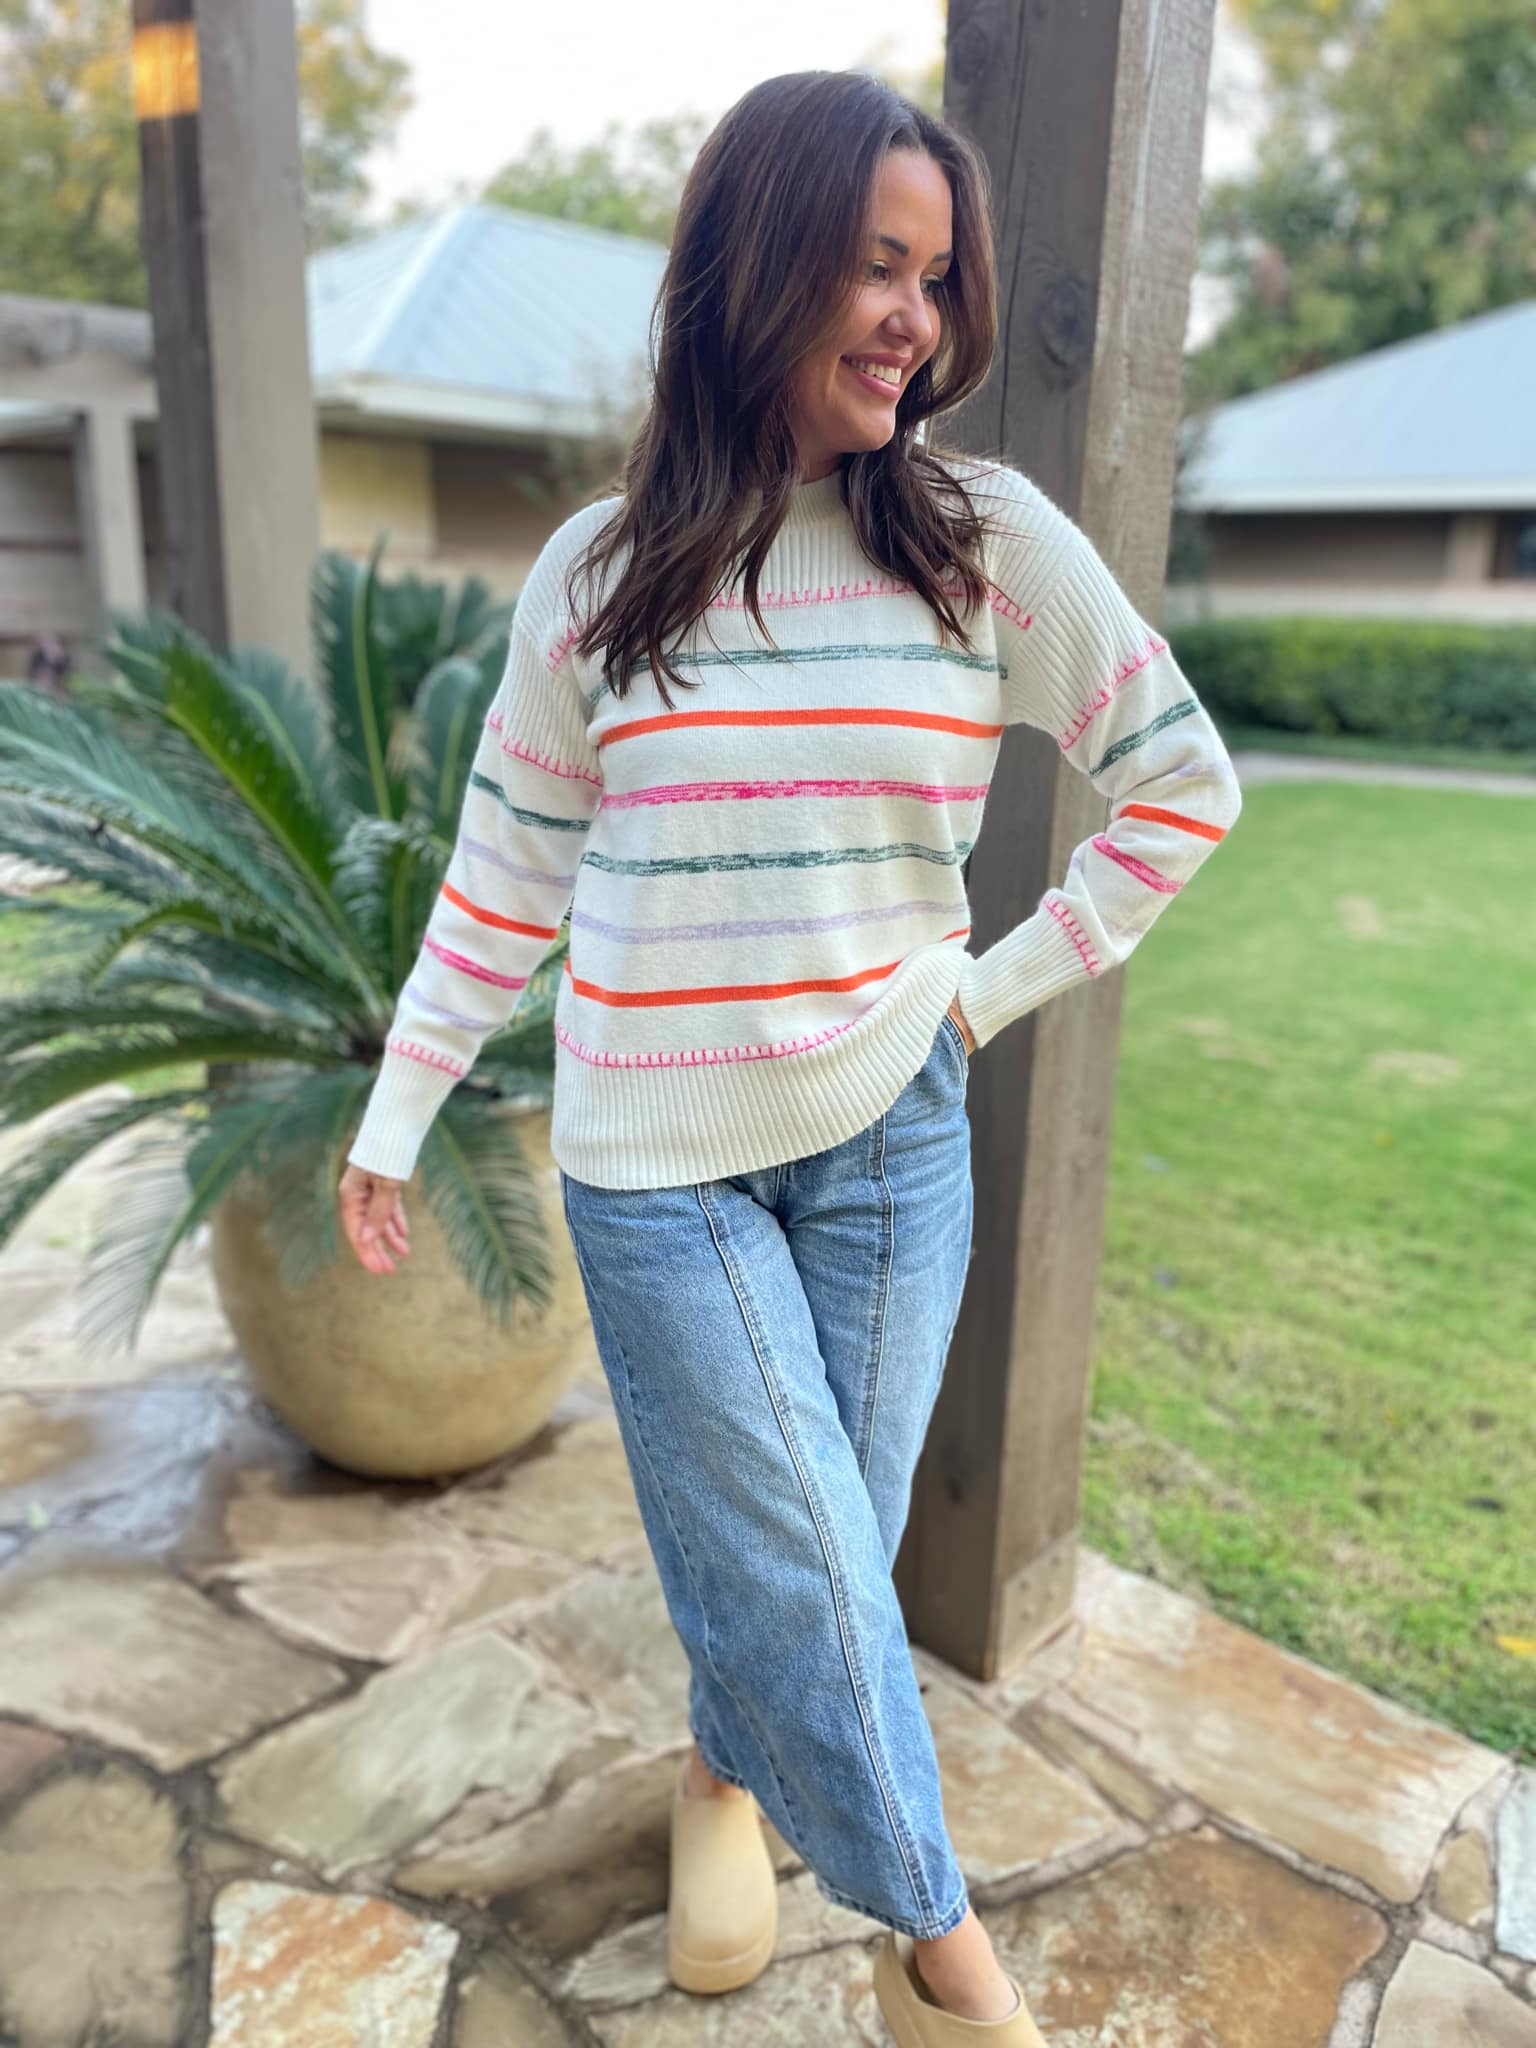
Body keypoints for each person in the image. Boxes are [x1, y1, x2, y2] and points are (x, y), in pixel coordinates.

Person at [337, 69, 1242, 2042]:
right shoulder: (597, 575)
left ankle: (720, 1779)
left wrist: (988, 991)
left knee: (814, 1551)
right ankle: (949, 1963)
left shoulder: (983, 544)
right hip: (656, 1169)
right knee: (812, 1563)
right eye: (874, 265)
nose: (916, 317)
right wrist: (398, 1112)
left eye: (938, 276)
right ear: (756, 267)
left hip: (895, 1136)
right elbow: (503, 874)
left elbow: (1185, 784)